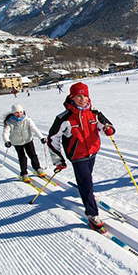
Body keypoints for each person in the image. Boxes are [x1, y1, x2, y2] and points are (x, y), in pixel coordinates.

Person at [47, 82, 115, 233]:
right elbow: (52, 139)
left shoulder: (94, 112)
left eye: (85, 96)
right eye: (78, 96)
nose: (82, 99)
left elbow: (106, 126)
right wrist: (59, 160)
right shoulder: (64, 118)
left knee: (86, 179)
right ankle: (92, 214)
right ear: (72, 97)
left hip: (92, 151)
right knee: (86, 181)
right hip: (77, 155)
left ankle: (87, 193)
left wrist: (108, 130)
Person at [3, 104, 47, 183]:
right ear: (13, 113)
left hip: (28, 140)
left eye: (20, 112)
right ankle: (24, 173)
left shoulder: (27, 119)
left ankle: (37, 168)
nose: (19, 114)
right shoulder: (9, 122)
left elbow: (34, 128)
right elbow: (5, 132)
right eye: (17, 112)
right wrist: (7, 141)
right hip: (17, 142)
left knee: (33, 155)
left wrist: (41, 137)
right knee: (22, 157)